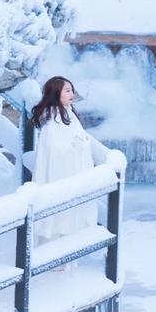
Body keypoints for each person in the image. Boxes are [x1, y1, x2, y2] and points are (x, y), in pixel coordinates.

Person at [31, 76, 98, 243]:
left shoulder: (67, 113)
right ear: (56, 93)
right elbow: (55, 149)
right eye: (67, 90)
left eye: (72, 90)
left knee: (69, 215)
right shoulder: (53, 119)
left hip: (72, 172)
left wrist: (80, 143)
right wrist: (77, 145)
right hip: (60, 174)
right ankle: (56, 258)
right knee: (59, 216)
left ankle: (67, 254)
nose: (72, 94)